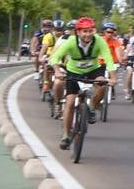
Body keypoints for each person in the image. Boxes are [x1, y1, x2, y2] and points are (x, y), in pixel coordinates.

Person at [49, 16, 117, 149]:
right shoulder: (70, 42)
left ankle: (92, 108)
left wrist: (113, 78)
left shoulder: (99, 41)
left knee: (102, 84)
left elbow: (109, 60)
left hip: (93, 70)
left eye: (90, 31)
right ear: (77, 32)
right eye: (84, 31)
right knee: (69, 102)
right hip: (73, 71)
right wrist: (57, 71)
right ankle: (66, 135)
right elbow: (55, 57)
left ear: (94, 31)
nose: (88, 34)